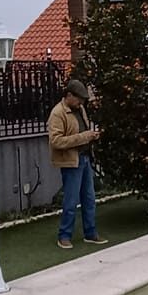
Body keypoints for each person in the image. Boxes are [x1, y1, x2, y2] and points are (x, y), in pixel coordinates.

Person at [48, 79, 109, 250]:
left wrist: (90, 136)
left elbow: (82, 130)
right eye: (79, 99)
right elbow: (56, 141)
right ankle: (64, 236)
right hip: (70, 162)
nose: (81, 102)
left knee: (89, 199)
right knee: (71, 200)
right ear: (69, 95)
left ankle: (90, 233)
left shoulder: (79, 109)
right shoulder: (57, 113)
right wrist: (84, 137)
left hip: (84, 158)